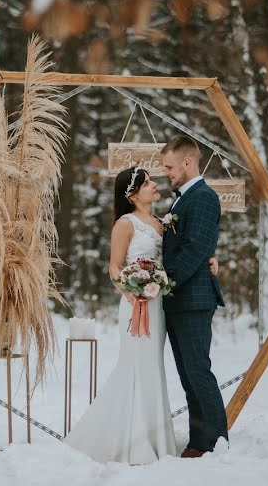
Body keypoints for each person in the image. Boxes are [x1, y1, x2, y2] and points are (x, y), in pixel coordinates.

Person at [63, 166, 218, 464]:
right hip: (136, 306)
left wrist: (210, 260)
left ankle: (154, 437)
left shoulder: (163, 222)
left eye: (151, 181)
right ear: (132, 195)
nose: (154, 186)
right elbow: (114, 268)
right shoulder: (125, 224)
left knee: (153, 368)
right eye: (147, 183)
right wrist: (132, 291)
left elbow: (184, 252)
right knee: (134, 366)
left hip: (158, 306)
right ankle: (131, 439)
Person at [160, 135, 228, 458]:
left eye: (170, 167)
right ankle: (199, 441)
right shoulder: (182, 199)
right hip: (178, 301)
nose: (167, 173)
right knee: (188, 377)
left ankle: (217, 441)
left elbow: (196, 249)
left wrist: (164, 281)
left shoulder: (203, 197)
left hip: (193, 300)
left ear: (188, 162)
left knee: (198, 371)